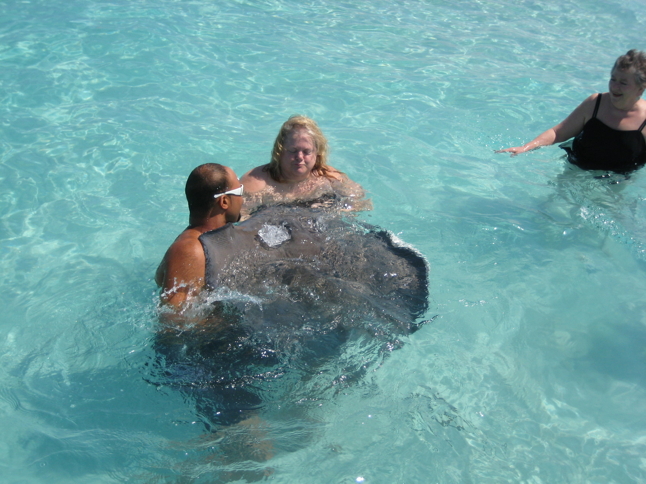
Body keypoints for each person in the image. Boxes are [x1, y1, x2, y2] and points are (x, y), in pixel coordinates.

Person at [497, 49, 646, 174]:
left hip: (618, 181)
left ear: (641, 88)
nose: (615, 86)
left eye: (623, 83)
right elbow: (558, 132)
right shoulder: (595, 103)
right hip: (576, 167)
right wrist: (526, 147)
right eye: (613, 79)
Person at [155, 163, 243, 310]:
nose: (242, 198)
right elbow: (174, 322)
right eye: (240, 191)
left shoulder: (213, 238)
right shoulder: (189, 250)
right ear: (224, 202)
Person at [240, 115, 370, 214]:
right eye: (293, 151)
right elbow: (239, 216)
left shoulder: (328, 177)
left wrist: (338, 212)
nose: (299, 158)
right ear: (280, 151)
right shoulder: (257, 182)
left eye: (307, 152)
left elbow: (361, 201)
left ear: (317, 153)